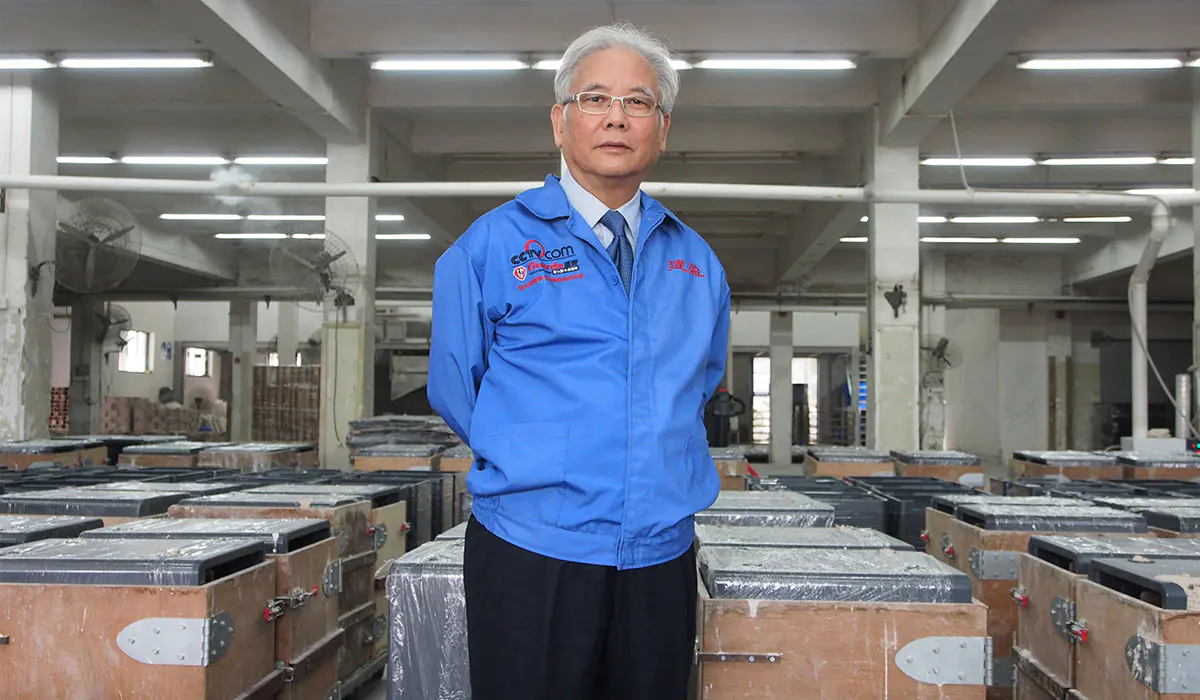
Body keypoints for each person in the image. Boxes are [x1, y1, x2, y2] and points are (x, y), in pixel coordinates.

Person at [428, 23, 731, 700]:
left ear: (662, 128)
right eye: (595, 99)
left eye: (638, 102)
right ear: (559, 121)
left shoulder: (696, 262)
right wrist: (538, 458)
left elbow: (700, 383)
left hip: (659, 553)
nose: (617, 117)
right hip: (531, 549)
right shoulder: (490, 247)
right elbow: (456, 386)